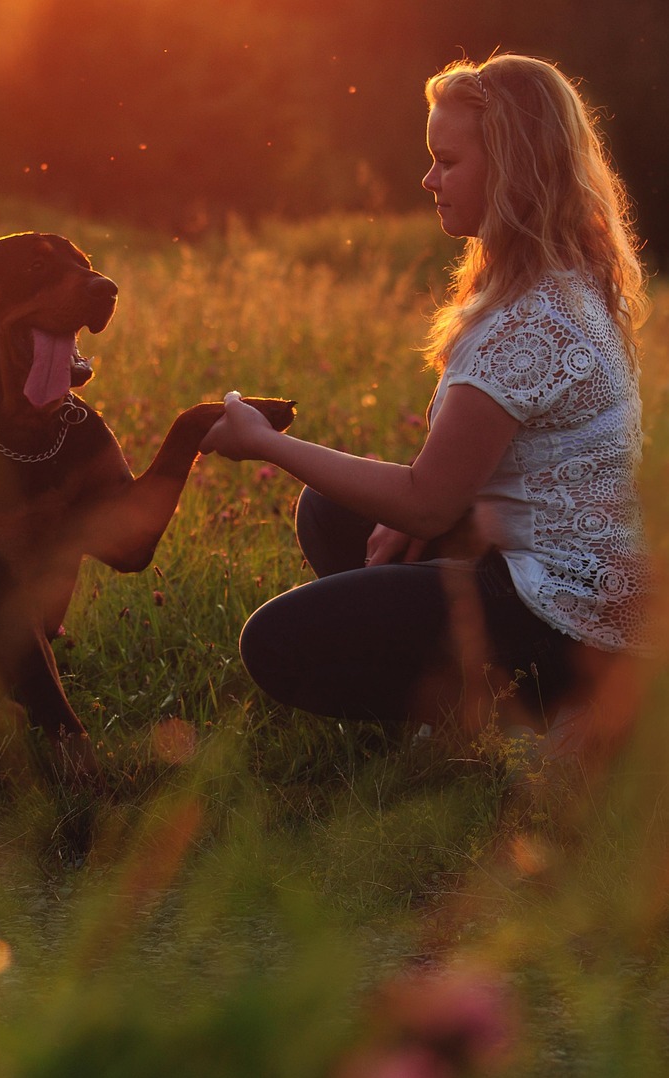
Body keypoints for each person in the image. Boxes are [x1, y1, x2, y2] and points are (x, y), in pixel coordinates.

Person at [200, 53, 652, 754]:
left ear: (512, 169)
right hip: (567, 575)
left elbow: (426, 503)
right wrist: (429, 510)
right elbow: (472, 473)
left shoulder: (530, 322)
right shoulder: (567, 279)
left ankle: (530, 713)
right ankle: (482, 703)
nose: (429, 180)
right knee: (332, 510)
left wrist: (265, 442)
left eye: (447, 161)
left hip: (563, 618)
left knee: (276, 642)